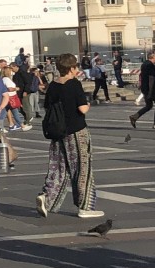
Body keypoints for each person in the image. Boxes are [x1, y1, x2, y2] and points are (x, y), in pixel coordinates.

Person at [38, 54, 107, 222]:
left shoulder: (53, 86)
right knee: (82, 169)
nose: (77, 70)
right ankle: (85, 206)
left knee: (58, 167)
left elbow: (47, 106)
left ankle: (46, 198)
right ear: (71, 69)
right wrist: (88, 104)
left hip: (58, 133)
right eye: (76, 67)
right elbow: (82, 109)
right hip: (76, 131)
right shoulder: (74, 84)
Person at [130, 52, 155, 128]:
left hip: (145, 88)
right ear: (152, 57)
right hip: (151, 88)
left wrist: (141, 85)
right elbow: (151, 78)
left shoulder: (144, 64)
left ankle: (134, 116)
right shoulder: (150, 65)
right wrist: (150, 91)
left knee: (149, 105)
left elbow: (141, 75)